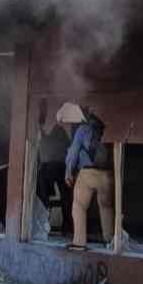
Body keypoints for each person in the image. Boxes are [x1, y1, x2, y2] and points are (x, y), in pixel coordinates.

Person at [62, 102, 114, 251]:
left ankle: (79, 242)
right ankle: (109, 240)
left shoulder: (83, 129)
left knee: (79, 205)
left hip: (87, 173)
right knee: (106, 207)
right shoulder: (108, 129)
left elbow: (73, 152)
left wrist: (68, 171)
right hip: (107, 175)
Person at [36, 121, 73, 235]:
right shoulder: (60, 132)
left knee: (43, 196)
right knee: (65, 197)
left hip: (47, 166)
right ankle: (67, 226)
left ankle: (44, 224)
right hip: (60, 165)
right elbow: (69, 148)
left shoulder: (40, 132)